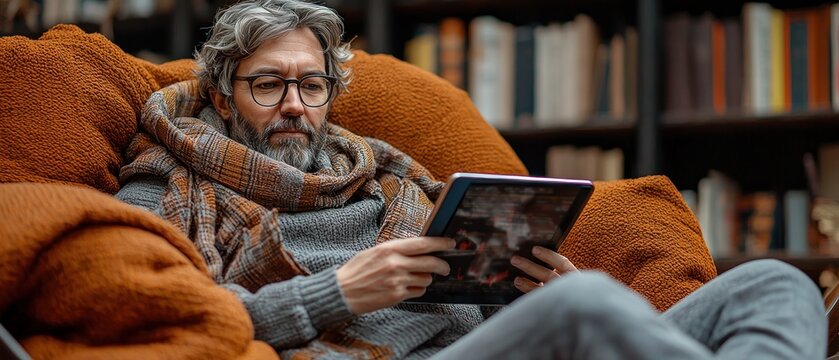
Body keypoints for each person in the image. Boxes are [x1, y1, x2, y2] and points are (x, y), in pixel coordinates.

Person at [116, 0, 827, 358]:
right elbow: (159, 326)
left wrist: (527, 287)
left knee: (771, 282)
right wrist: (334, 293)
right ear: (218, 94)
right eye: (268, 85)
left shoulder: (386, 176)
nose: (296, 105)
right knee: (584, 307)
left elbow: (486, 307)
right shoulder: (166, 187)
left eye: (313, 85)